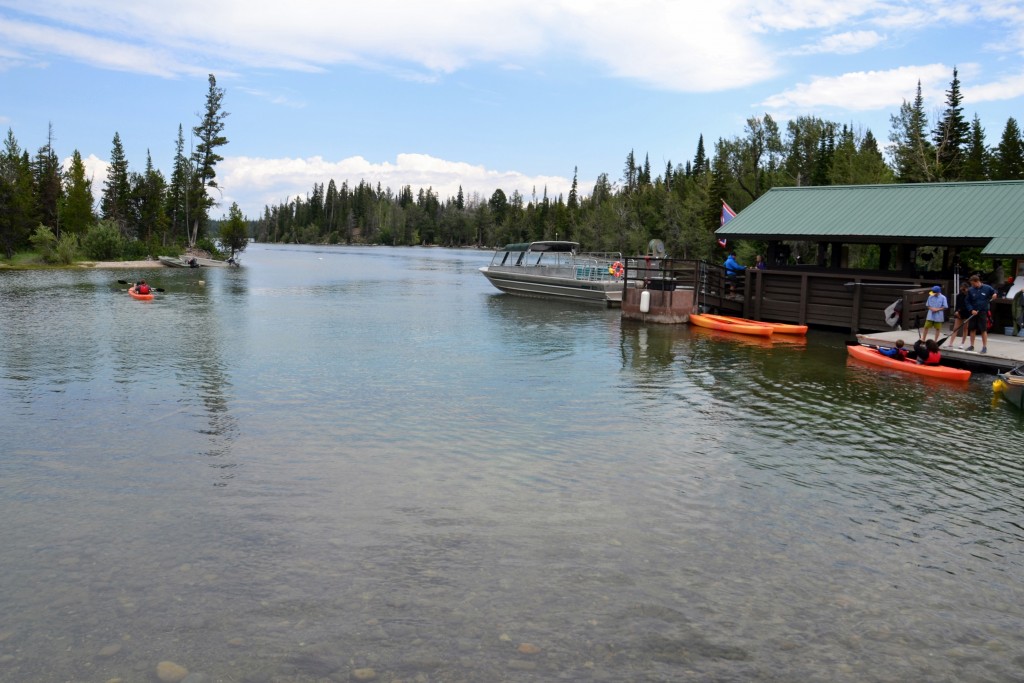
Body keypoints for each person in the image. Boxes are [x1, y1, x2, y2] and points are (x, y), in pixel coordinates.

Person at [965, 274, 997, 353]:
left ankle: (984, 346)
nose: (972, 285)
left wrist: (994, 294)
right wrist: (971, 309)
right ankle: (972, 345)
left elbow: (994, 291)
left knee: (983, 329)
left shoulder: (987, 288)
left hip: (982, 311)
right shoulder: (971, 290)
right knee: (972, 328)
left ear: (977, 281)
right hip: (973, 311)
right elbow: (967, 301)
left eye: (973, 283)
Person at [949, 282, 971, 348]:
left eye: (964, 289)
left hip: (967, 313)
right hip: (960, 312)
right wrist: (956, 312)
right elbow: (957, 305)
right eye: (962, 290)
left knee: (965, 328)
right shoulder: (959, 295)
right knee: (955, 328)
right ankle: (951, 342)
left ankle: (962, 343)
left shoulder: (970, 295)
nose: (963, 291)